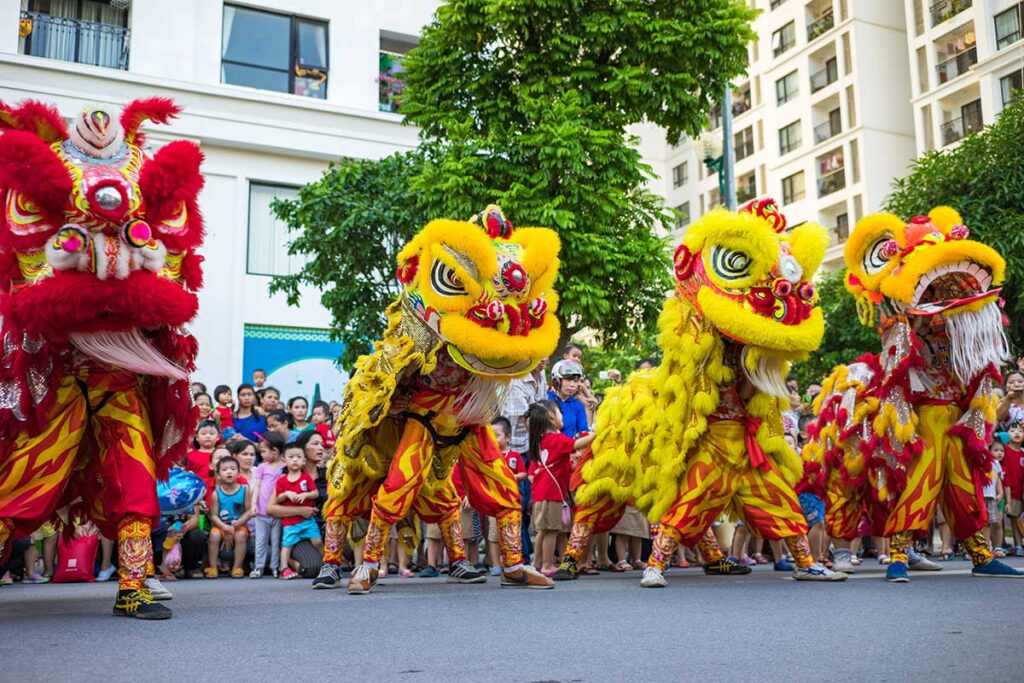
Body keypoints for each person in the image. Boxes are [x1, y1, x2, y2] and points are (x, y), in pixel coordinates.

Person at [528, 400, 597, 576]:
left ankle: (536, 562)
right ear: (551, 416)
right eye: (560, 412)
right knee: (552, 530)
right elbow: (577, 445)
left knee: (543, 530)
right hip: (552, 493)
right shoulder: (556, 438)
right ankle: (547, 565)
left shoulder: (541, 440)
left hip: (541, 492)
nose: (562, 416)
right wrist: (596, 434)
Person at [486, 417, 527, 574]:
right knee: (494, 535)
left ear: (508, 437)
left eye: (497, 435)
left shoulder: (514, 456)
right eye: (490, 435)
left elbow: (523, 473)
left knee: (512, 534)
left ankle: (512, 562)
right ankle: (495, 565)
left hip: (511, 502)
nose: (493, 439)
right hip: (493, 502)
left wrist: (510, 477)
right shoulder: (489, 457)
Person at [273, 443, 321, 580]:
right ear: (284, 461)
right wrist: (287, 493)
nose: (295, 460)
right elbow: (278, 498)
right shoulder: (281, 481)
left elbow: (315, 493)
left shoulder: (306, 477)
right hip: (290, 522)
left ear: (304, 461)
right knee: (287, 544)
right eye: (291, 457)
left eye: (298, 457)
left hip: (307, 520)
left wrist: (306, 495)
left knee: (317, 541)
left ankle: (328, 563)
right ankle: (283, 568)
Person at [206, 456, 252, 578]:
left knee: (240, 535)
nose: (229, 471)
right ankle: (213, 567)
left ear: (238, 472)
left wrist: (240, 521)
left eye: (233, 469)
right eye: (225, 469)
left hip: (239, 525)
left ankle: (237, 567)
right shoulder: (216, 493)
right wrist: (223, 526)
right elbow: (214, 515)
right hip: (222, 526)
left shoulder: (245, 489)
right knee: (214, 535)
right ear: (219, 474)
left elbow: (249, 510)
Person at [249, 433, 285, 578]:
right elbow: (257, 486)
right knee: (260, 541)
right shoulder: (262, 467)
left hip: (276, 512)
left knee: (276, 541)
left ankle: (275, 567)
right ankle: (259, 567)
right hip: (261, 512)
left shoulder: (284, 467)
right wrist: (253, 505)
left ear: (275, 450)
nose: (261, 454)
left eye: (264, 451)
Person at [547, 360, 589, 437]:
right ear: (557, 381)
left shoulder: (578, 405)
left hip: (571, 447)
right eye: (568, 380)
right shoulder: (546, 399)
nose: (572, 385)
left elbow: (583, 431)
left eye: (576, 381)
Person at [1002, 421, 1024, 556]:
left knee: (1018, 519)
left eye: (1020, 431)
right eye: (1013, 430)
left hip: (1020, 492)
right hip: (1005, 489)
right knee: (1011, 518)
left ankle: (1018, 544)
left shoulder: (1023, 452)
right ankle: (1016, 544)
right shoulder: (1003, 449)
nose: (1017, 433)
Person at [983, 441, 1005, 553]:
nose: (999, 453)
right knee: (983, 523)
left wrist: (1000, 493)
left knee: (991, 522)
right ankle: (985, 546)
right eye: (996, 450)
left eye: (1001, 451)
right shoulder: (979, 461)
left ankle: (989, 546)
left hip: (991, 497)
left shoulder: (995, 463)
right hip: (981, 496)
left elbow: (998, 479)